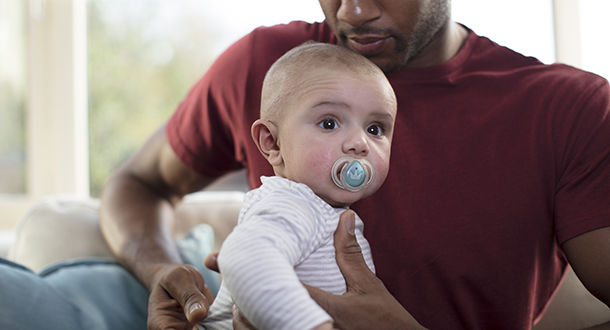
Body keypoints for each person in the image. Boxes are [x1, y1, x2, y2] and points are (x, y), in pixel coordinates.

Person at [0, 1, 608, 329]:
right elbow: (139, 180)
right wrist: (160, 270)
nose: (353, 12)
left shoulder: (567, 109)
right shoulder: (274, 67)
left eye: (376, 129)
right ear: (270, 142)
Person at [201, 41, 396, 330]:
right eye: (329, 123)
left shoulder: (321, 209)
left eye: (375, 129)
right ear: (272, 143)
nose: (359, 143)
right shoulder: (293, 203)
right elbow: (245, 257)